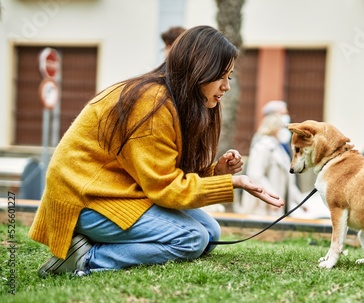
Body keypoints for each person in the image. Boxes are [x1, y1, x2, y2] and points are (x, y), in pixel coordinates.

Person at [29, 25, 284, 277]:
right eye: (221, 75)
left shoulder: (176, 100)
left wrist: (217, 173)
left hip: (120, 191)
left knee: (211, 234)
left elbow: (167, 174)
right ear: (199, 69)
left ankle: (97, 247)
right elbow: (164, 188)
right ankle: (84, 258)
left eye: (230, 76)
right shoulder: (151, 103)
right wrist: (233, 183)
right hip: (86, 201)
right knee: (192, 239)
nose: (226, 86)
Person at [235, 113, 329, 219]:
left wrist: (301, 203)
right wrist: (271, 197)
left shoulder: (279, 148)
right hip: (262, 207)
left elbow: (289, 183)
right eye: (281, 128)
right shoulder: (262, 147)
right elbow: (256, 175)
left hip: (275, 206)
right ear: (274, 128)